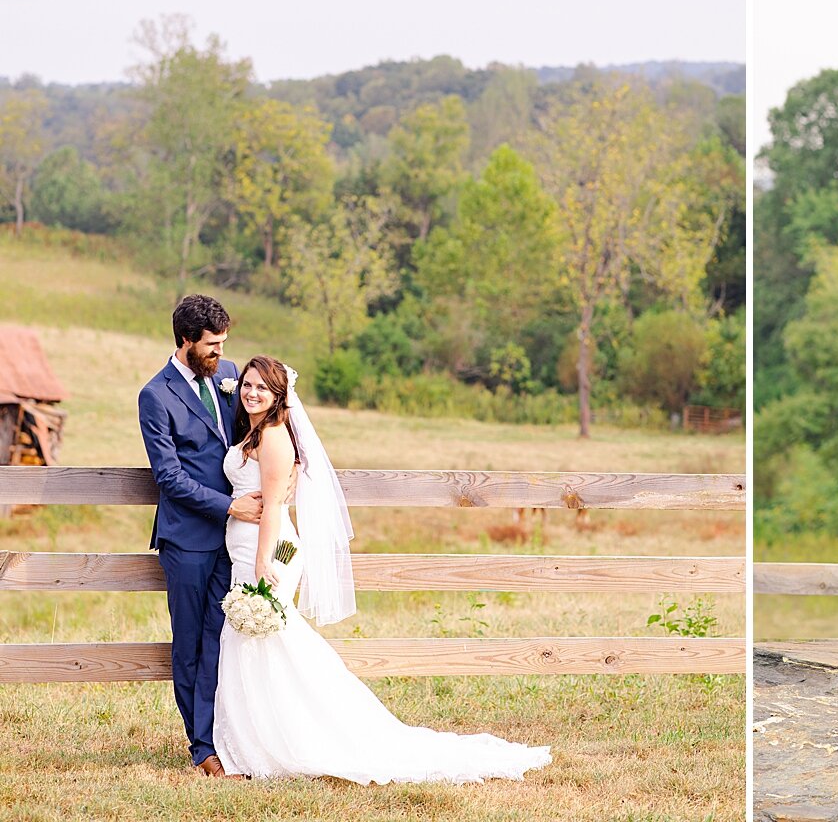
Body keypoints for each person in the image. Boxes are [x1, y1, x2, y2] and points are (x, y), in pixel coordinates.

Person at [212, 355, 552, 783]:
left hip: (269, 549)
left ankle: (297, 737)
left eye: (263, 387)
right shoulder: (255, 433)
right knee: (257, 639)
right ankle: (259, 738)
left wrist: (264, 561)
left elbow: (275, 507)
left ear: (280, 395)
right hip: (249, 546)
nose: (252, 392)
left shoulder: (275, 438)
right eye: (248, 384)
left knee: (267, 636)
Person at [138, 294, 261, 777]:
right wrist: (229, 504)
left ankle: (228, 737)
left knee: (222, 638)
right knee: (189, 645)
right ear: (185, 341)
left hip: (235, 540)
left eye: (223, 343)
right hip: (187, 540)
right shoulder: (156, 395)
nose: (220, 353)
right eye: (211, 345)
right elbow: (168, 478)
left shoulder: (229, 373)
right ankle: (202, 749)